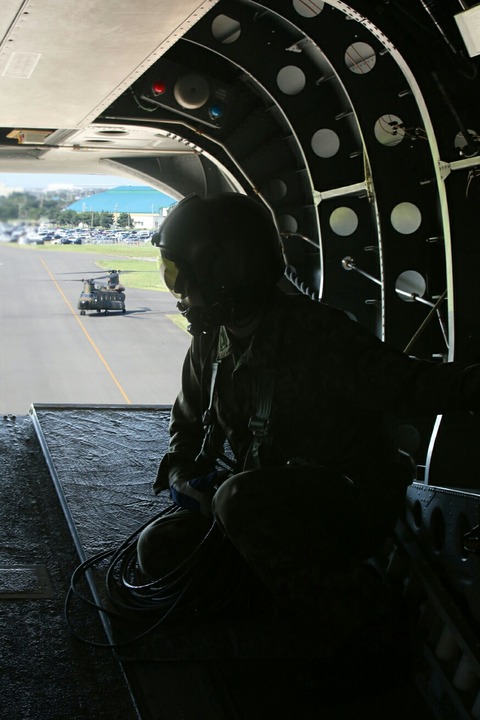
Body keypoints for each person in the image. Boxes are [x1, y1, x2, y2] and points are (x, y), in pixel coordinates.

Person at [137, 192, 479, 637]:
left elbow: (410, 386)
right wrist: (185, 478)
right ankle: (285, 599)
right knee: (160, 549)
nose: (180, 292)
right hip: (259, 505)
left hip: (346, 503)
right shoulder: (211, 345)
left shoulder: (319, 334)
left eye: (183, 275)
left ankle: (374, 626)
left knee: (239, 501)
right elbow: (187, 424)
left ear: (227, 271)